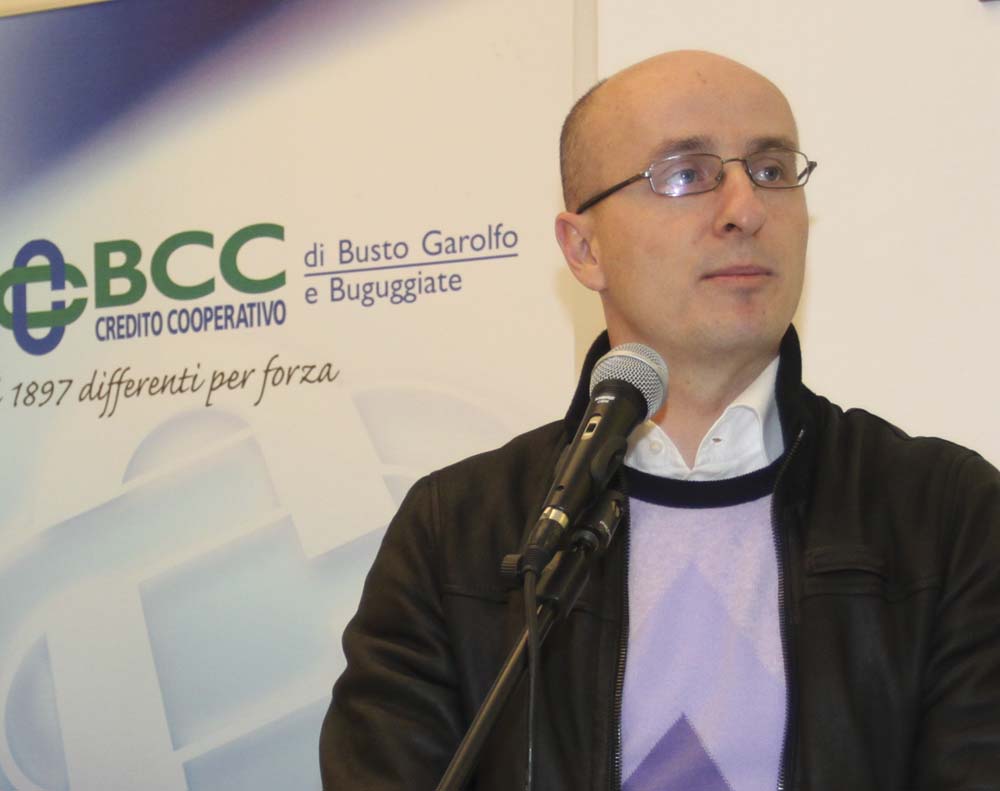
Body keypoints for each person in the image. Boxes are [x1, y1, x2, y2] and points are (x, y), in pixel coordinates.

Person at [319, 50, 1000, 790]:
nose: (745, 209)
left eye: (771, 170)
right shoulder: (454, 532)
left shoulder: (945, 512)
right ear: (584, 249)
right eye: (686, 174)